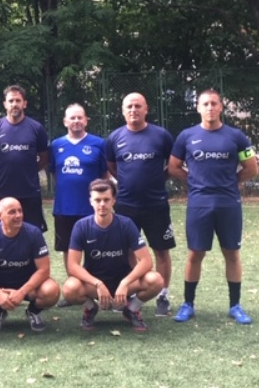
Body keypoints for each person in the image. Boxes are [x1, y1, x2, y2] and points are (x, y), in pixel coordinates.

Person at [167, 88, 259, 324]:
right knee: (195, 253)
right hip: (199, 203)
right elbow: (174, 167)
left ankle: (235, 305)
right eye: (205, 104)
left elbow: (252, 168)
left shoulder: (236, 136)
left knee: (232, 253)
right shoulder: (186, 136)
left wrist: (231, 182)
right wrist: (194, 182)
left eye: (214, 103)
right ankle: (188, 304)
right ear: (198, 107)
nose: (210, 107)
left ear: (221, 107)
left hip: (228, 203)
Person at [105, 92, 176, 317]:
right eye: (129, 106)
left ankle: (163, 295)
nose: (133, 110)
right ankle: (129, 293)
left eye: (138, 106)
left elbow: (173, 164)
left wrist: (158, 180)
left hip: (156, 204)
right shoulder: (114, 138)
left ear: (146, 109)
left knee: (161, 251)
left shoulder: (161, 135)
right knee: (127, 251)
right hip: (125, 205)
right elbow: (112, 167)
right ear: (122, 111)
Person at [62, 179, 164, 332]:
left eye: (106, 199)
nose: (102, 204)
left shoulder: (126, 224)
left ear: (113, 201)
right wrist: (98, 284)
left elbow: (146, 261)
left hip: (124, 284)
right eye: (98, 200)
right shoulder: (81, 226)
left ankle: (132, 309)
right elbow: (72, 266)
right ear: (90, 201)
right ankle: (90, 308)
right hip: (94, 285)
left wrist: (125, 283)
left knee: (155, 280)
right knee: (69, 288)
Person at [0, 197, 60, 332]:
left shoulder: (33, 233)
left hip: (29, 285)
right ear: (0, 216)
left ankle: (33, 311)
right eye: (12, 212)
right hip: (0, 283)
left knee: (51, 291)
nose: (18, 215)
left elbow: (43, 270)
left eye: (20, 211)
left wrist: (22, 292)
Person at [49, 104, 107, 307]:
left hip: (91, 209)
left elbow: (104, 175)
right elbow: (55, 173)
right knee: (68, 249)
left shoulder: (99, 144)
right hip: (64, 208)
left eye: (79, 118)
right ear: (65, 121)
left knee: (95, 249)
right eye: (72, 118)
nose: (76, 121)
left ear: (86, 120)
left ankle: (98, 288)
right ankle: (73, 291)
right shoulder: (56, 145)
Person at [0, 85, 49, 233]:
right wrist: (0, 169)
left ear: (24, 103)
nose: (14, 104)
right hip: (3, 192)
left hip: (30, 192)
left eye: (18, 100)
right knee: (2, 234)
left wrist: (31, 169)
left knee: (33, 234)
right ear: (5, 104)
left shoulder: (36, 128)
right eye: (11, 101)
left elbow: (44, 157)